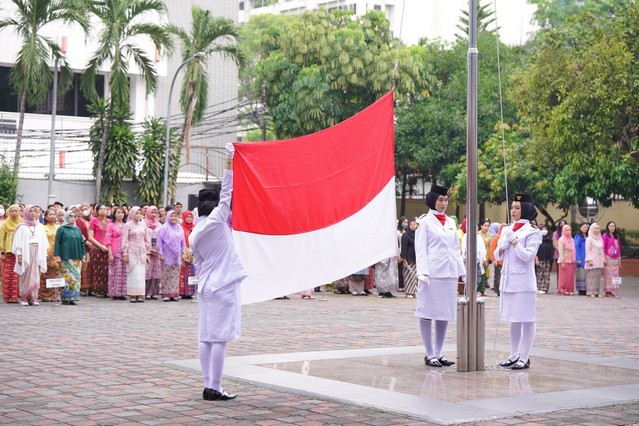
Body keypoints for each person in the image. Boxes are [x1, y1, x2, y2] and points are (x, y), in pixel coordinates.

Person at [190, 143, 247, 401]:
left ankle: (207, 385)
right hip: (223, 285)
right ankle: (215, 386)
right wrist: (229, 161)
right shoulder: (217, 220)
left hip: (206, 287)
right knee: (220, 339)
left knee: (206, 337)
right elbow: (227, 192)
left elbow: (199, 264)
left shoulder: (194, 233)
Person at [415, 185, 466, 368]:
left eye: (446, 200)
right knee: (427, 312)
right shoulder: (424, 222)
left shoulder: (452, 222)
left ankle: (439, 352)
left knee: (444, 313)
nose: (444, 203)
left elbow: (456, 250)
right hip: (432, 274)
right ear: (433, 200)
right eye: (440, 200)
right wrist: (422, 272)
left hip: (449, 273)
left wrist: (463, 272)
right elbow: (420, 249)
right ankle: (429, 353)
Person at [494, 193, 542, 370]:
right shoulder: (507, 229)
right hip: (508, 281)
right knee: (514, 319)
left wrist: (515, 242)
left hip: (524, 282)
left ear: (526, 210)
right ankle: (513, 355)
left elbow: (528, 256)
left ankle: (525, 356)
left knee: (527, 319)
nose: (513, 210)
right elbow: (496, 256)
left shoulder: (533, 232)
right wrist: (503, 244)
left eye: (517, 208)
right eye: (512, 207)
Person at [12, 205, 49, 306]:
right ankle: (24, 297)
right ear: (26, 212)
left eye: (35, 211)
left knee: (36, 274)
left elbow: (44, 242)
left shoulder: (40, 226)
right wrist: (19, 255)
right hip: (26, 252)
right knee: (25, 274)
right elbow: (17, 242)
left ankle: (33, 297)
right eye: (30, 211)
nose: (33, 213)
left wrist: (44, 255)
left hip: (37, 252)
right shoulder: (21, 227)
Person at [54, 211, 86, 305]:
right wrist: (57, 256)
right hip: (66, 258)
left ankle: (73, 297)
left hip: (76, 258)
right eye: (70, 216)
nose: (73, 218)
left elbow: (81, 243)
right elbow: (57, 243)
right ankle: (65, 298)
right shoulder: (61, 229)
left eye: (74, 216)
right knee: (66, 277)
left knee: (76, 278)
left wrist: (83, 255)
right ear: (66, 217)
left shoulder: (77, 229)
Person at [122, 207, 151, 303]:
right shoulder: (127, 225)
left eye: (140, 213)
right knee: (133, 272)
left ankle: (140, 294)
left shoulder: (143, 225)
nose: (138, 215)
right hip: (132, 251)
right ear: (132, 214)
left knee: (140, 273)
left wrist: (148, 253)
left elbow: (147, 239)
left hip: (142, 251)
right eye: (136, 213)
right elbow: (125, 240)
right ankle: (132, 295)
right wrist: (125, 253)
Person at [157, 209, 186, 302]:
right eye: (172, 216)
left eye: (175, 216)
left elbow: (183, 241)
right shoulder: (164, 228)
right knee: (166, 274)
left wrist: (183, 252)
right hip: (167, 254)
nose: (174, 218)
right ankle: (166, 294)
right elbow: (159, 242)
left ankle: (174, 294)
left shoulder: (179, 228)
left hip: (177, 254)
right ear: (168, 217)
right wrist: (160, 253)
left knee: (175, 275)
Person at [88, 204, 112, 297]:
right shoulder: (93, 221)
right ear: (97, 211)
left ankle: (105, 289)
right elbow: (90, 237)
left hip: (108, 248)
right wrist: (100, 246)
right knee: (97, 269)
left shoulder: (110, 222)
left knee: (106, 270)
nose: (103, 211)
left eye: (105, 209)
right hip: (97, 248)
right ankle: (97, 289)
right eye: (101, 209)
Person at [0, 204, 22, 303]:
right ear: (8, 212)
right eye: (12, 211)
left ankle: (15, 296)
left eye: (16, 211)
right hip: (8, 252)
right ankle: (8, 296)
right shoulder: (5, 224)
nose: (14, 213)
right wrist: (2, 250)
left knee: (17, 275)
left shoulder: (21, 224)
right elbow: (1, 238)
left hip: (19, 253)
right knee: (8, 275)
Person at [105, 207, 127, 300]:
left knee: (124, 272)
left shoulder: (126, 225)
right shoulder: (111, 225)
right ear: (114, 214)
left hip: (124, 251)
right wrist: (110, 253)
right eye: (118, 212)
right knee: (115, 272)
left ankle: (123, 293)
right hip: (115, 251)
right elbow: (108, 239)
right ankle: (114, 292)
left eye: (122, 213)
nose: (120, 214)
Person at [39, 208, 61, 302]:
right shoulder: (42, 227)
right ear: (46, 217)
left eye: (53, 214)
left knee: (56, 274)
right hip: (46, 253)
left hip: (56, 253)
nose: (52, 216)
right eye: (50, 214)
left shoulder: (59, 227)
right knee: (45, 274)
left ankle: (54, 295)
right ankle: (44, 295)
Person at [145, 206, 162, 300]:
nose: (154, 214)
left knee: (155, 272)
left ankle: (153, 292)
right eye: (152, 212)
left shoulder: (159, 225)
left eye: (155, 213)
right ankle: (146, 292)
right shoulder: (144, 224)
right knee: (147, 271)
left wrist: (158, 250)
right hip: (147, 251)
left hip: (157, 251)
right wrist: (148, 250)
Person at [179, 210, 197, 299]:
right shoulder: (180, 228)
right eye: (187, 217)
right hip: (184, 252)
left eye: (191, 217)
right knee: (183, 271)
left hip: (193, 253)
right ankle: (182, 291)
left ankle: (190, 292)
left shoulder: (195, 228)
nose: (189, 219)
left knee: (192, 271)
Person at [602, 221, 621, 298]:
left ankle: (614, 290)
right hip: (608, 257)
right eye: (610, 226)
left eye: (613, 226)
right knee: (609, 275)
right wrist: (604, 258)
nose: (612, 228)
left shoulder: (617, 236)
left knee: (615, 275)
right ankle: (608, 291)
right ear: (608, 227)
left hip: (616, 258)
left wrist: (619, 258)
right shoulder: (605, 235)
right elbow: (603, 247)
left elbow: (619, 247)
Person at [585, 223, 605, 298]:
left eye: (598, 228)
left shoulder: (600, 238)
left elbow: (602, 250)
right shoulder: (589, 239)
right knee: (591, 276)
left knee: (598, 276)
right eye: (595, 228)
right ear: (591, 229)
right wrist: (589, 259)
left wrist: (603, 259)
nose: (596, 230)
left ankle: (596, 291)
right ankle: (590, 292)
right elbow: (587, 250)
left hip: (599, 260)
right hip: (592, 260)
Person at [400, 218, 417, 298]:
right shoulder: (405, 235)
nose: (413, 226)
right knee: (409, 275)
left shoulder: (417, 235)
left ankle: (414, 291)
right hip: (408, 258)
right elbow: (404, 247)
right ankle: (409, 292)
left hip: (416, 258)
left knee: (415, 276)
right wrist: (404, 258)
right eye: (411, 224)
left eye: (414, 224)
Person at [557, 225, 576, 296]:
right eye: (567, 230)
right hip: (564, 260)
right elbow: (560, 251)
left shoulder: (572, 239)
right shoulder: (561, 240)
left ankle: (569, 290)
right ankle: (562, 290)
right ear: (563, 231)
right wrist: (562, 261)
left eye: (570, 230)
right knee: (563, 277)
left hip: (571, 260)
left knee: (570, 277)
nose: (568, 232)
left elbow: (573, 250)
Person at [534, 224, 553, 294]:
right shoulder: (537, 239)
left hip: (548, 259)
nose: (544, 231)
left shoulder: (549, 239)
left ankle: (545, 288)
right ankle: (539, 287)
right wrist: (536, 258)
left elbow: (551, 250)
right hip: (540, 258)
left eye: (545, 229)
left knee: (546, 274)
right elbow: (535, 250)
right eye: (542, 229)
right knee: (540, 273)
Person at [489, 224, 506, 296]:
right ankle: (498, 290)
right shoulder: (497, 237)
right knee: (498, 276)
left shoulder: (506, 237)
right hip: (498, 261)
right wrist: (493, 259)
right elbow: (493, 249)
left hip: (505, 261)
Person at [574, 223, 589, 295]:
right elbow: (575, 248)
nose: (585, 228)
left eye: (586, 227)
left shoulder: (588, 237)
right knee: (581, 274)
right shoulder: (578, 237)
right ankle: (581, 290)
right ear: (580, 228)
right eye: (583, 227)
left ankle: (586, 289)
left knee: (586, 274)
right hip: (580, 257)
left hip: (587, 258)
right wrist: (578, 258)